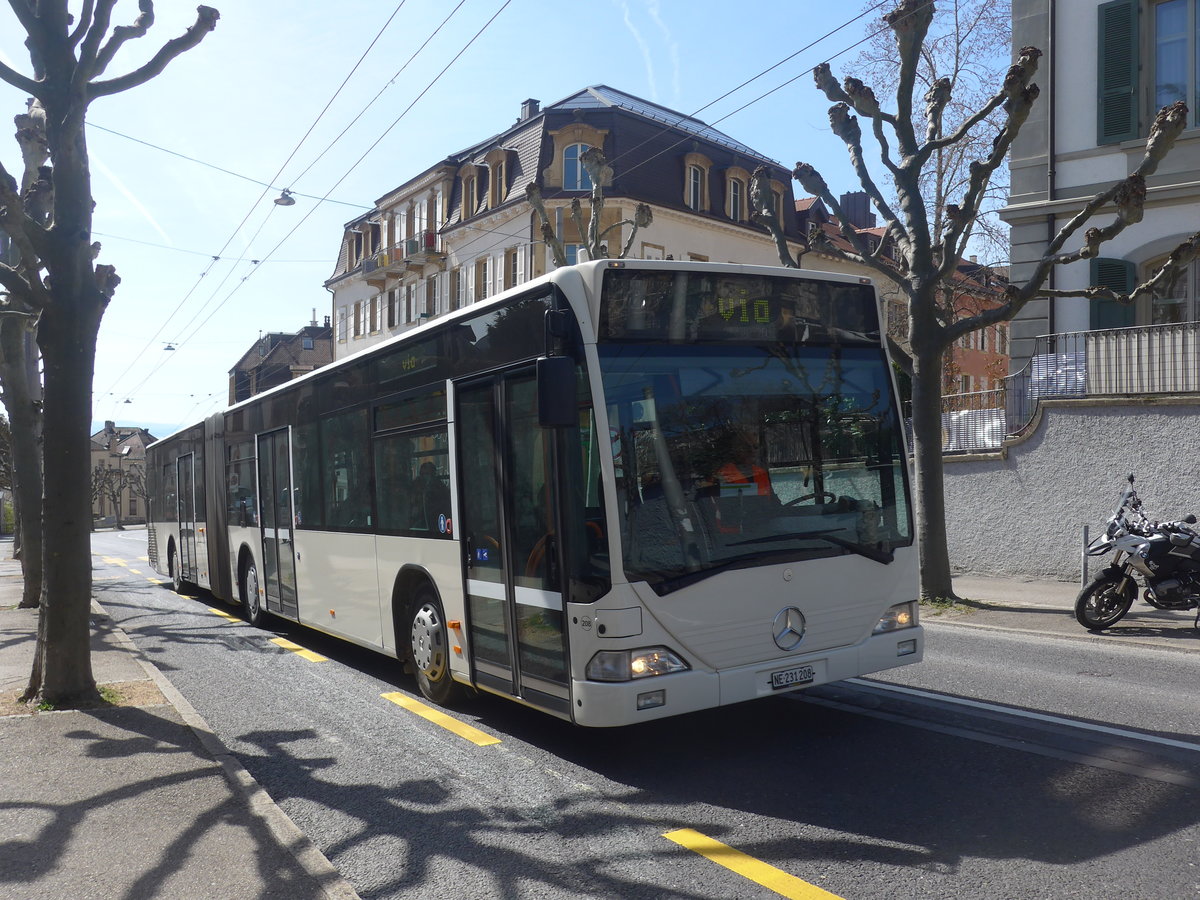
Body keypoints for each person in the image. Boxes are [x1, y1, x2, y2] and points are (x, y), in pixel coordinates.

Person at [410, 460, 450, 533]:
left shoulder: (439, 487)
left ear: (433, 474)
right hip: (418, 521)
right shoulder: (416, 484)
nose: (425, 476)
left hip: (435, 520)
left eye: (427, 474)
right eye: (422, 474)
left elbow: (445, 503)